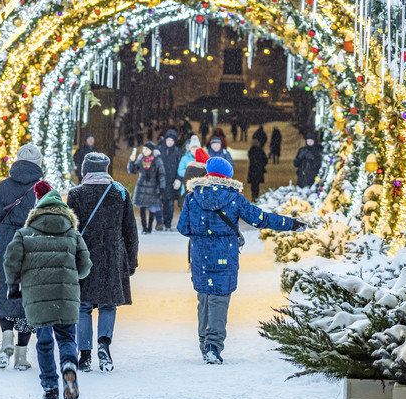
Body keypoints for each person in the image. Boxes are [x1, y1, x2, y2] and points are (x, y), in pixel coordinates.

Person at [177, 157, 305, 364]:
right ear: (228, 175)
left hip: (201, 256)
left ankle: (204, 344)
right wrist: (290, 223)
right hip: (224, 257)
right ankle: (213, 346)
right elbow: (260, 218)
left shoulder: (192, 197)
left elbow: (183, 228)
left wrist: (201, 233)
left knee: (204, 299)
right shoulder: (233, 198)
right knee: (219, 299)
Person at [4, 182, 92, 399]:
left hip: (37, 297)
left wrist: (13, 286)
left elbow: (11, 260)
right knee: (65, 338)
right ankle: (69, 366)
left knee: (44, 343)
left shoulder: (25, 234)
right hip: (65, 296)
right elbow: (84, 266)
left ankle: (51, 390)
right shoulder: (73, 234)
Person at [67, 153, 138, 373]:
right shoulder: (119, 192)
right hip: (113, 255)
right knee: (108, 305)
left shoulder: (76, 194)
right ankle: (104, 345)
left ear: (86, 170)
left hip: (84, 256)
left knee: (83, 306)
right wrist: (132, 259)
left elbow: (70, 230)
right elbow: (130, 230)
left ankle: (85, 355)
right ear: (106, 170)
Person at [0, 144, 44, 371]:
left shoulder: (1, 188)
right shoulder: (43, 189)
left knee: (5, 290)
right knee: (28, 296)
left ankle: (6, 339)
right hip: (32, 242)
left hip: (5, 242)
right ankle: (22, 356)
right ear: (38, 164)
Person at [128, 141, 166, 233]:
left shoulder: (157, 160)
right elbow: (132, 171)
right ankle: (144, 227)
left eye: (146, 149)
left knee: (152, 208)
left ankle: (149, 227)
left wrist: (161, 187)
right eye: (143, 149)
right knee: (142, 208)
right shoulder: (140, 159)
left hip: (153, 186)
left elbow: (161, 174)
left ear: (151, 150)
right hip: (142, 186)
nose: (144, 151)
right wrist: (131, 161)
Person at [158, 129, 182, 231]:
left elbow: (180, 167)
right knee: (159, 203)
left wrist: (178, 179)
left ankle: (168, 224)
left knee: (170, 204)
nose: (170, 142)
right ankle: (160, 222)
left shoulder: (177, 152)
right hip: (161, 182)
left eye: (172, 141)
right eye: (168, 140)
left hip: (172, 182)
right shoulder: (159, 150)